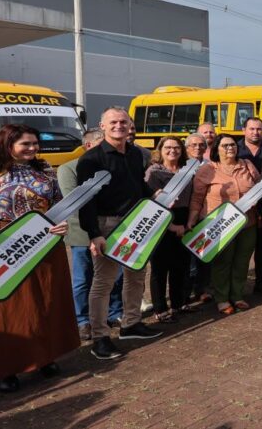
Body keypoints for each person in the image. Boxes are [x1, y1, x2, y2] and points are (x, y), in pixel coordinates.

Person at [0, 124, 75, 393]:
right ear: (7, 144)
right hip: (2, 244)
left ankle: (44, 358)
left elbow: (57, 205)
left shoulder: (45, 170)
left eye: (35, 144)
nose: (32, 148)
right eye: (25, 144)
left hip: (43, 243)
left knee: (45, 302)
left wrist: (62, 225)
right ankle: (6, 368)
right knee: (3, 309)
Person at [77, 106, 163, 361]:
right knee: (103, 282)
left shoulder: (136, 154)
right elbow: (85, 200)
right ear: (102, 126)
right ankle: (100, 337)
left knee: (137, 275)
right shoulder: (91, 159)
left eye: (123, 122)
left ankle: (131, 324)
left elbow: (137, 185)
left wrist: (152, 195)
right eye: (113, 122)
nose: (119, 126)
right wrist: (93, 233)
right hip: (107, 225)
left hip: (136, 223)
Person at [58, 129, 123, 340]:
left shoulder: (111, 165)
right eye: (101, 143)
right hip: (81, 233)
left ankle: (114, 313)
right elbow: (75, 201)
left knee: (113, 276)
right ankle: (83, 320)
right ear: (88, 146)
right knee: (83, 278)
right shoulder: (68, 169)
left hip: (109, 230)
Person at [190, 135, 261, 315]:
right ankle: (222, 298)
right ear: (217, 149)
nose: (230, 148)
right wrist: (192, 219)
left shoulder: (247, 165)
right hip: (220, 224)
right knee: (223, 261)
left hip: (247, 223)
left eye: (233, 145)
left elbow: (259, 187)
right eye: (225, 145)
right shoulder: (208, 169)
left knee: (242, 260)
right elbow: (197, 198)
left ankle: (237, 295)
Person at [145, 137, 195, 323]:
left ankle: (178, 303)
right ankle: (160, 308)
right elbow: (150, 202)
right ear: (160, 149)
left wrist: (188, 222)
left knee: (180, 266)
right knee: (160, 267)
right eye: (168, 147)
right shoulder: (154, 172)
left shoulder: (187, 171)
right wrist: (172, 226)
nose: (172, 151)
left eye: (176, 147)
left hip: (183, 218)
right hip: (162, 220)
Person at [237, 117, 262, 295]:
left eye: (258, 129)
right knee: (240, 249)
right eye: (251, 129)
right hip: (241, 205)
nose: (255, 132)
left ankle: (261, 283)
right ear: (244, 130)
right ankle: (237, 287)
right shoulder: (235, 148)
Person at [182, 132, 212, 304]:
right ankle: (185, 293)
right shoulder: (181, 165)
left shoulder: (210, 166)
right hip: (183, 215)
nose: (198, 148)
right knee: (185, 258)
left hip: (203, 214)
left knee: (202, 253)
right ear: (186, 148)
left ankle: (202, 289)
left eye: (201, 145)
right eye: (193, 145)